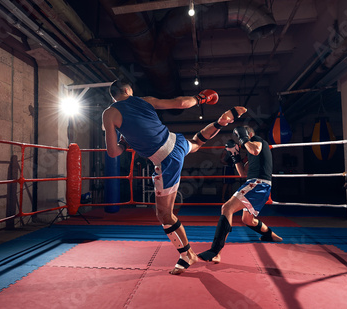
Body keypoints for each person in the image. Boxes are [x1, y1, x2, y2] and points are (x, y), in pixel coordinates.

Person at [102, 80, 247, 275]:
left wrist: (124, 144)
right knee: (195, 143)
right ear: (129, 91)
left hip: (165, 159)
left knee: (164, 215)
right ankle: (219, 123)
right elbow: (181, 103)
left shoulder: (109, 113)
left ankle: (187, 254)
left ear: (113, 96)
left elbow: (112, 152)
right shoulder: (144, 100)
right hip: (174, 140)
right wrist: (200, 98)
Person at [198, 125, 282, 264]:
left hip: (257, 185)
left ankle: (215, 251)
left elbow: (254, 149)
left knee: (226, 208)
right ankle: (271, 236)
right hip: (256, 185)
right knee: (248, 220)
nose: (239, 142)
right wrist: (235, 156)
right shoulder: (252, 151)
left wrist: (244, 138)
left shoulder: (257, 141)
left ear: (248, 134)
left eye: (240, 137)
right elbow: (243, 173)